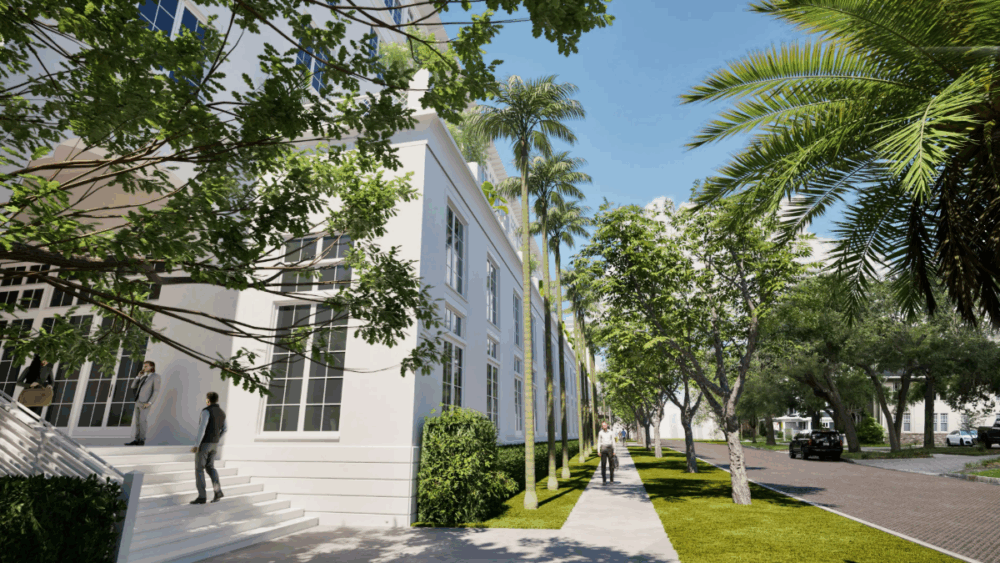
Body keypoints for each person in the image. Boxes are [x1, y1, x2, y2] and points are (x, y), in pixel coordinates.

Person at [190, 391, 227, 504]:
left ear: (208, 400)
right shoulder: (222, 413)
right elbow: (225, 429)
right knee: (210, 467)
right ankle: (217, 491)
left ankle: (202, 497)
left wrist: (197, 445)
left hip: (205, 444)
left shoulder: (206, 411)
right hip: (214, 444)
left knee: (199, 469)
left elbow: (202, 428)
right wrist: (216, 438)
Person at [125, 361, 160, 446]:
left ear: (151, 367)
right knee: (137, 422)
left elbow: (156, 391)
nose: (144, 368)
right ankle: (136, 439)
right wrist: (138, 376)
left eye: (146, 366)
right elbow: (133, 386)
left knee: (142, 421)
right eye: (143, 366)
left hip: (145, 403)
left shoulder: (156, 377)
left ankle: (141, 440)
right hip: (138, 402)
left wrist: (150, 402)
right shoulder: (143, 377)